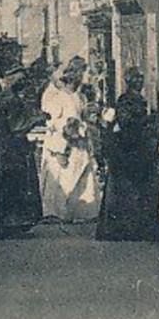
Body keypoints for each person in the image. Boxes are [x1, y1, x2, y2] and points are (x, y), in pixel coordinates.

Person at [96, 67, 159, 242]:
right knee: (131, 191)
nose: (139, 82)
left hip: (141, 149)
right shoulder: (126, 100)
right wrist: (147, 122)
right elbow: (126, 122)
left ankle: (141, 228)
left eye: (140, 79)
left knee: (142, 190)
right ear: (129, 82)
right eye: (136, 79)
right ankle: (129, 229)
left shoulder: (139, 99)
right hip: (129, 150)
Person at [0, 65, 44, 240]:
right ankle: (11, 223)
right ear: (12, 81)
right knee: (14, 182)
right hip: (10, 145)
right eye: (21, 81)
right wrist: (36, 119)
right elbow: (16, 126)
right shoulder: (10, 99)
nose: (24, 85)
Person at [38, 56, 100, 223]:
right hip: (63, 145)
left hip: (78, 144)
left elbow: (82, 119)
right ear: (77, 75)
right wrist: (59, 151)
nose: (89, 77)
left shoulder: (79, 97)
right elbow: (56, 127)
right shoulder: (59, 98)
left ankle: (83, 211)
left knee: (81, 174)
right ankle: (57, 213)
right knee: (63, 178)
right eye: (86, 73)